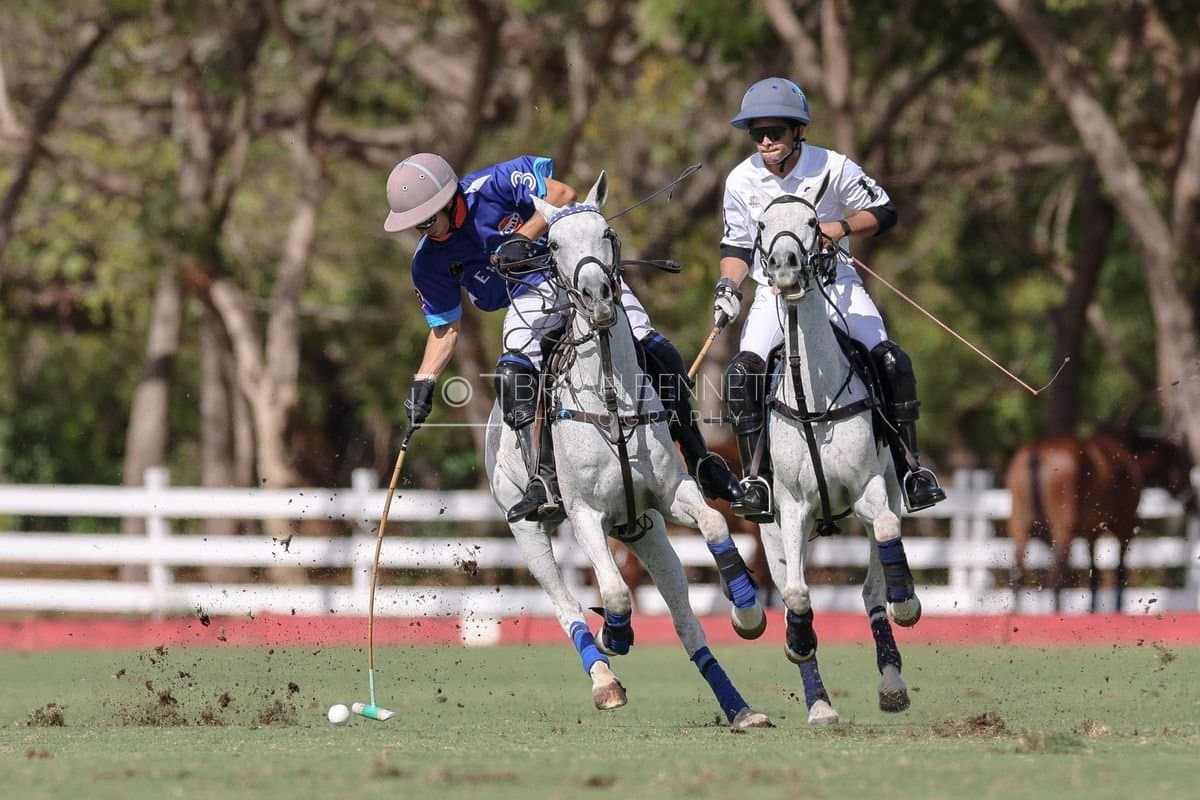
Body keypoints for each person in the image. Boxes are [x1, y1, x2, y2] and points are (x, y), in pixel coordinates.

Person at [384, 152, 743, 524]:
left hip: (574, 270)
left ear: (448, 200)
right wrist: (424, 383)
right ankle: (543, 479)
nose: (425, 231)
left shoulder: (495, 183)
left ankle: (702, 462)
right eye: (417, 226)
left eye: (427, 220)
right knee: (511, 375)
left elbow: (563, 193)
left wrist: (523, 236)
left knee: (657, 350)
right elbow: (444, 329)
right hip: (528, 297)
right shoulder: (427, 260)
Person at [711, 77, 946, 522]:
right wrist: (728, 287)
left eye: (774, 132)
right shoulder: (741, 180)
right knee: (742, 372)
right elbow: (736, 248)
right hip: (772, 296)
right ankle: (757, 479)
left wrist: (838, 228)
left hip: (836, 285)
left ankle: (910, 467)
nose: (764, 141)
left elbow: (885, 210)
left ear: (798, 131)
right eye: (756, 133)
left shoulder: (833, 167)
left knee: (891, 360)